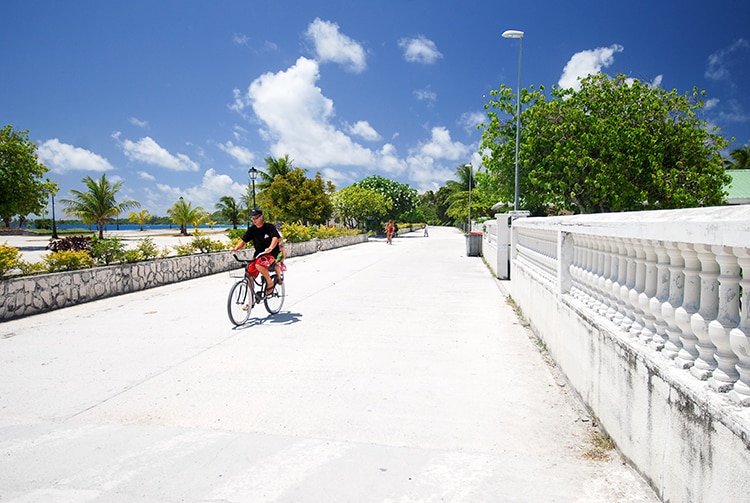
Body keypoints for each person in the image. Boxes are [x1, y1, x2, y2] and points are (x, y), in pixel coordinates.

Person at [231, 209, 280, 303]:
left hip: (270, 253)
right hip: (258, 254)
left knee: (259, 265)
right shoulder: (252, 229)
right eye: (252, 218)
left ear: (261, 217)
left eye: (256, 217)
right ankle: (251, 301)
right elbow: (243, 241)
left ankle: (270, 282)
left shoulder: (269, 227)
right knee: (249, 276)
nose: (254, 220)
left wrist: (270, 247)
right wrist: (235, 248)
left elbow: (275, 238)